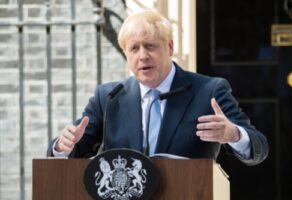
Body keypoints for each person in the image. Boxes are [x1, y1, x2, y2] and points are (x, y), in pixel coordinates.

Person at [47, 10, 268, 165]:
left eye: (150, 46)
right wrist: (63, 146)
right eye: (134, 49)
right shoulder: (108, 97)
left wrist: (234, 134)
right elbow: (72, 152)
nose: (142, 56)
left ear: (169, 47)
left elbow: (259, 148)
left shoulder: (209, 90)